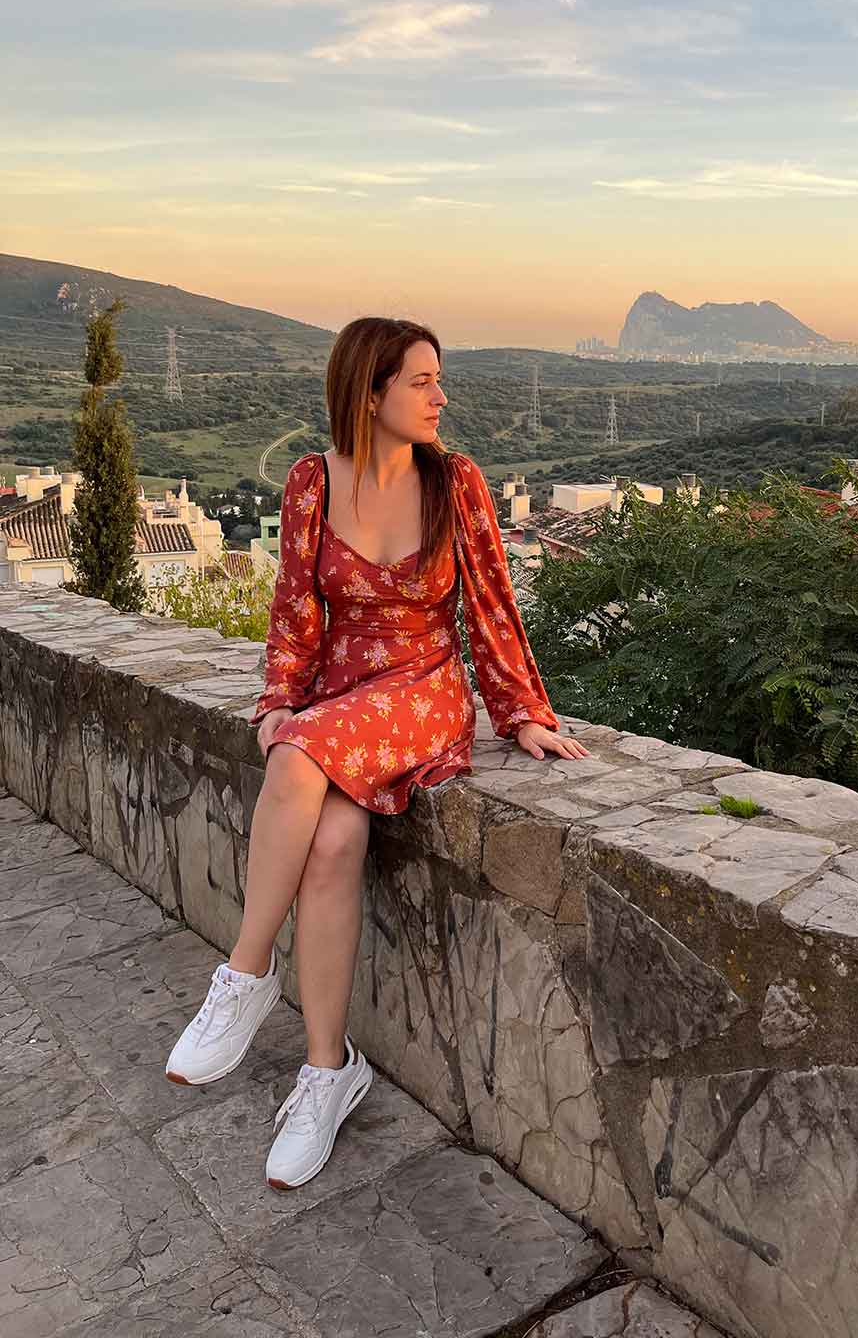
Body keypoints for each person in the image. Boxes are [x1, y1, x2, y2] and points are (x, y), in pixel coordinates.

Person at [164, 316, 590, 1189]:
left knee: (292, 760)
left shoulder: (456, 482)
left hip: (424, 691)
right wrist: (281, 698)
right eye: (422, 381)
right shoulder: (312, 482)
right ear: (371, 392)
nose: (442, 397)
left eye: (439, 379)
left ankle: (245, 973)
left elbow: (490, 607)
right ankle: (328, 1074)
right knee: (331, 843)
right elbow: (293, 607)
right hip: (339, 699)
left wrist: (520, 713)